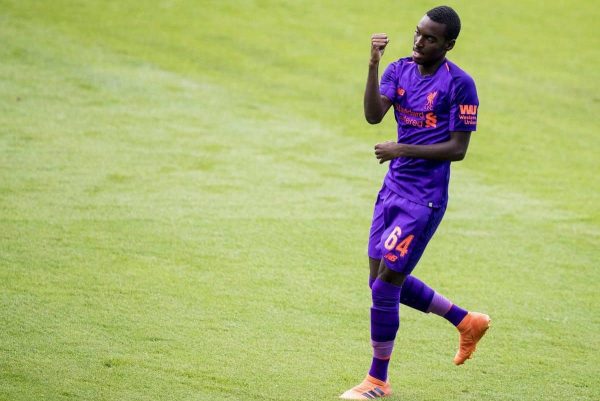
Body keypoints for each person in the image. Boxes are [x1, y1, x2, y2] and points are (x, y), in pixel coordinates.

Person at [340, 6, 490, 399]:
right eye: (418, 33)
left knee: (387, 285)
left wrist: (400, 147)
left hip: (424, 200)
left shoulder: (460, 84)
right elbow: (374, 116)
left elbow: (458, 149)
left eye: (430, 38)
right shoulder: (399, 69)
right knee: (379, 284)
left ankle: (376, 381)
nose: (419, 42)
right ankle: (466, 321)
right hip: (392, 190)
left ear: (448, 44)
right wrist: (374, 65)